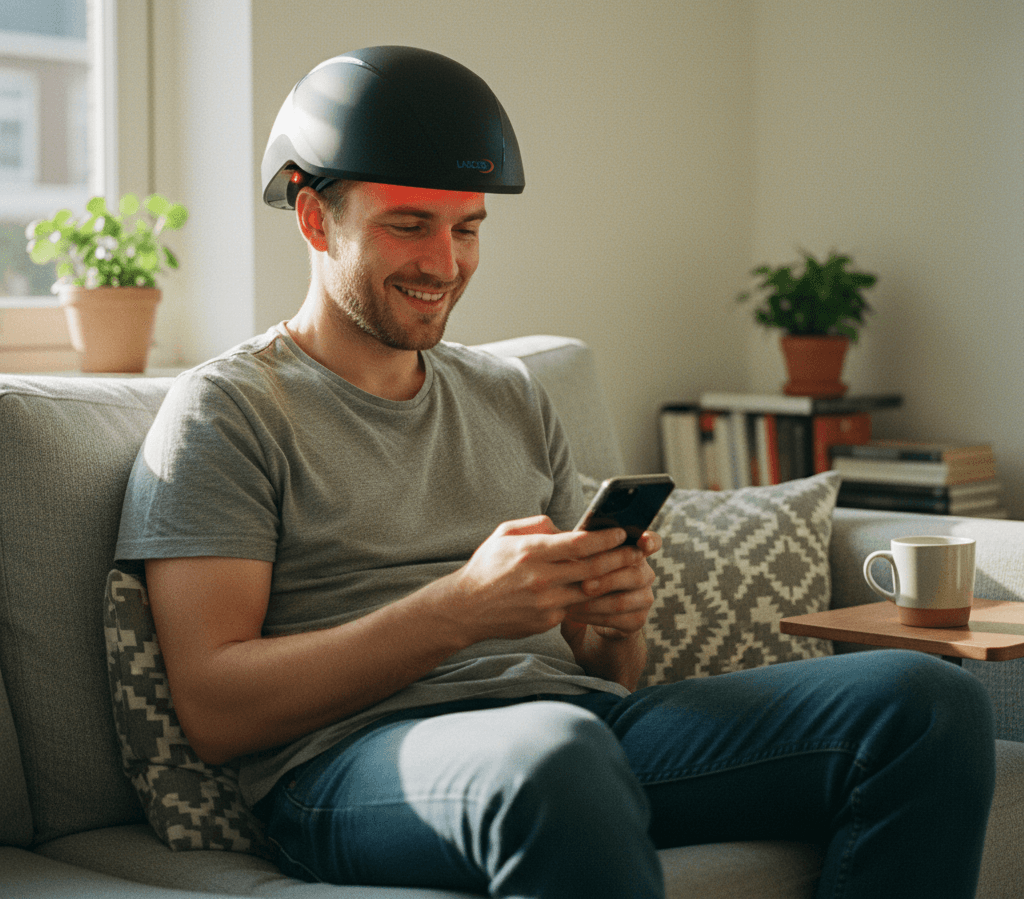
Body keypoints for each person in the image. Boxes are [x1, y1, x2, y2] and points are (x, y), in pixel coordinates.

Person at [115, 46, 996, 898]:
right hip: (355, 763)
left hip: (575, 730)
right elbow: (216, 708)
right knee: (555, 757)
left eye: (467, 229)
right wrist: (457, 611)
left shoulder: (510, 393)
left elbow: (606, 677)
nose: (445, 263)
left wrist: (615, 620)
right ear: (314, 218)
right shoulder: (227, 409)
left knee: (924, 700)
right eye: (408, 225)